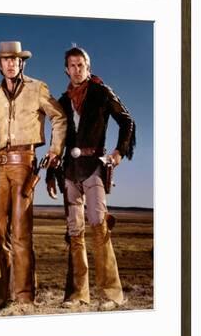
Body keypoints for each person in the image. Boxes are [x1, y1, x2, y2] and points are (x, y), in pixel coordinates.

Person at [46, 46, 135, 310]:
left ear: (88, 66)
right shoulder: (62, 101)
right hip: (69, 171)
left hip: (95, 166)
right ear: (66, 69)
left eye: (80, 65)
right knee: (74, 232)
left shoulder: (101, 92)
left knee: (99, 225)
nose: (76, 70)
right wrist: (52, 173)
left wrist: (119, 152)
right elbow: (57, 140)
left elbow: (127, 121)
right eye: (71, 66)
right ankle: (77, 295)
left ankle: (112, 294)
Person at [0, 41, 67, 311]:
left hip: (24, 164)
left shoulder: (37, 88)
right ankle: (1, 294)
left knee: (21, 234)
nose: (10, 64)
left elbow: (60, 118)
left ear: (22, 63)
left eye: (14, 59)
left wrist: (55, 151)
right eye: (5, 60)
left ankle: (24, 297)